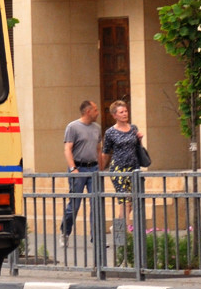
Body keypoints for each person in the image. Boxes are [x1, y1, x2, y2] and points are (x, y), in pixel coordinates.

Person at [60, 99, 104, 249]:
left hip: (93, 169)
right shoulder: (73, 127)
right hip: (79, 168)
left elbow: (99, 149)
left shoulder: (97, 128)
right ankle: (65, 232)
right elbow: (67, 149)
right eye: (96, 110)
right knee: (74, 205)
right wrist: (73, 169)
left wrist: (101, 169)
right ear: (88, 111)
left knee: (96, 203)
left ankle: (96, 238)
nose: (98, 113)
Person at [102, 99, 144, 233]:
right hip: (118, 169)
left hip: (133, 168)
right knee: (124, 201)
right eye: (121, 112)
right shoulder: (110, 132)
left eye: (126, 111)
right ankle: (127, 232)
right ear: (115, 115)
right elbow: (106, 152)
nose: (125, 114)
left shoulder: (133, 129)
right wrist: (101, 169)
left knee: (130, 202)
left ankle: (118, 227)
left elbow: (138, 148)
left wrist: (140, 139)